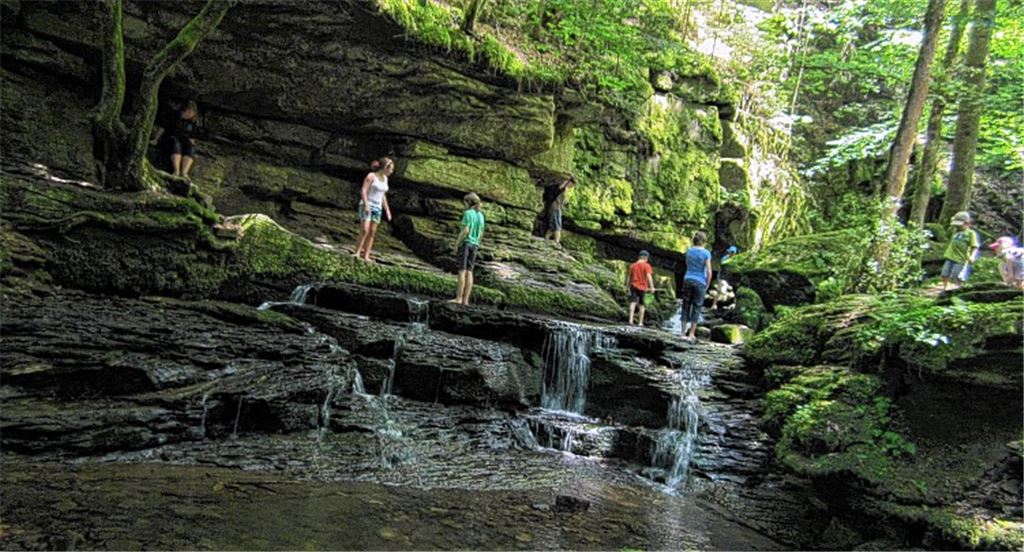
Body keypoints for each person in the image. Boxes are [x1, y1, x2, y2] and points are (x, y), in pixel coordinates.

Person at [353, 157, 394, 262]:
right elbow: (363, 190)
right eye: (390, 169)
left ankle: (366, 255)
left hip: (377, 207)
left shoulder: (385, 179)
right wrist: (366, 204)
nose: (391, 171)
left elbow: (383, 195)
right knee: (365, 230)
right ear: (385, 168)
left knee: (372, 232)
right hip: (367, 204)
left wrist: (387, 210)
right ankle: (357, 253)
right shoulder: (371, 176)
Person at [152, 101, 201, 179]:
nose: (189, 114)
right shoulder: (173, 116)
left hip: (184, 139)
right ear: (183, 110)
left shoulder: (193, 122)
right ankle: (176, 170)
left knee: (191, 148)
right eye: (188, 112)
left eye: (191, 113)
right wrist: (156, 139)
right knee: (176, 144)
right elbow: (163, 128)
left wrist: (192, 145)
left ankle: (184, 172)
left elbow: (192, 135)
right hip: (171, 137)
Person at [451, 193, 485, 305]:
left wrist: (457, 244)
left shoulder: (467, 214)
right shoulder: (481, 216)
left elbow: (465, 230)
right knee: (470, 271)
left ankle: (458, 298)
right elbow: (480, 233)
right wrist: (477, 243)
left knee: (462, 270)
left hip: (466, 243)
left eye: (465, 202)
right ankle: (466, 300)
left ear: (468, 202)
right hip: (475, 245)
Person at [680, 231, 712, 342]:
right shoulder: (706, 253)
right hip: (700, 282)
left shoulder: (689, 251)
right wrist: (707, 283)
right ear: (704, 242)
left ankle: (682, 333)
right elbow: (708, 270)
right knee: (697, 307)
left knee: (686, 305)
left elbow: (687, 264)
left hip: (688, 279)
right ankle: (691, 334)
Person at [941, 211, 980, 289]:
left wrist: (972, 256)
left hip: (961, 258)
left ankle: (959, 288)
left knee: (956, 274)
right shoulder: (955, 231)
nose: (957, 226)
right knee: (944, 273)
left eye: (959, 225)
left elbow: (975, 246)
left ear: (967, 223)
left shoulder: (971, 233)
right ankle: (945, 288)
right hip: (950, 256)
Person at [626, 250, 655, 326]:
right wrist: (652, 287)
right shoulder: (647, 265)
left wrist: (627, 286)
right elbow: (649, 276)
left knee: (633, 302)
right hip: (642, 287)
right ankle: (640, 322)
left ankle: (630, 320)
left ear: (639, 257)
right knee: (642, 304)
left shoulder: (632, 265)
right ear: (645, 257)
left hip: (633, 286)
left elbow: (629, 277)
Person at [546, 175, 575, 244]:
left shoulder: (565, 189)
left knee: (552, 226)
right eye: (571, 184)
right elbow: (559, 189)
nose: (572, 186)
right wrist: (566, 182)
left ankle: (546, 239)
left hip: (556, 207)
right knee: (557, 226)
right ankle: (557, 242)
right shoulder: (561, 188)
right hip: (556, 207)